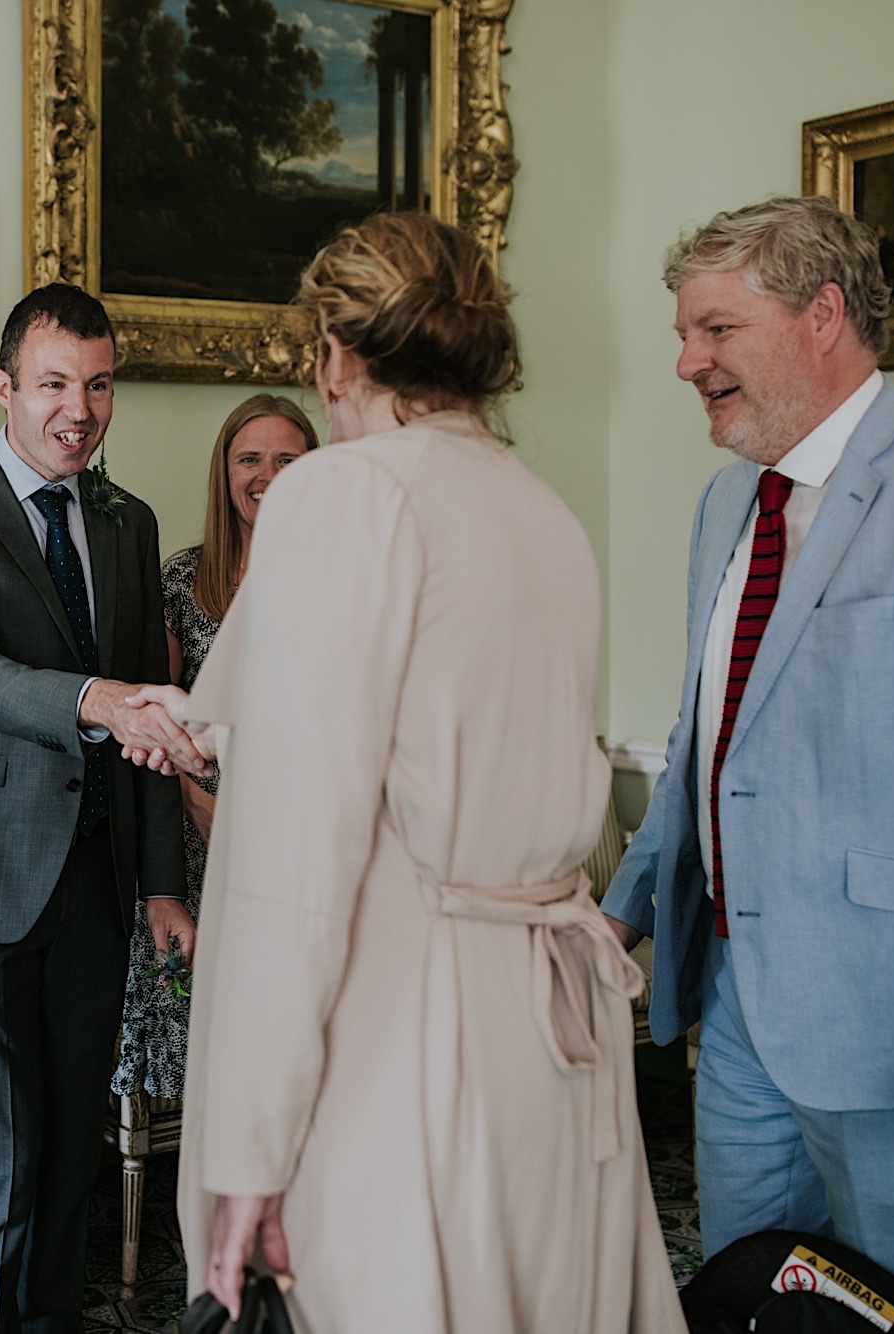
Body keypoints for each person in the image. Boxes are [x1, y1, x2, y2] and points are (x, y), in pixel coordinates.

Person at [150, 212, 683, 1331]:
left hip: (402, 1037)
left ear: (335, 355)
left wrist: (249, 1146)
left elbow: (295, 861)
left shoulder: (340, 495)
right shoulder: (539, 507)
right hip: (551, 1039)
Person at [601, 195, 894, 1330]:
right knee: (751, 1295)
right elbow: (707, 742)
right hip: (732, 1008)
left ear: (822, 314)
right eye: (681, 333)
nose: (686, 361)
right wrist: (621, 917)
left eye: (714, 330)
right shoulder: (724, 503)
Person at [0, 283, 195, 1333]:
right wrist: (94, 699)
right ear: (4, 385)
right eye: (55, 383)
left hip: (97, 887)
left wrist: (157, 879)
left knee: (68, 1149)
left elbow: (145, 707)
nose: (79, 409)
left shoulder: (126, 518)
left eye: (99, 385)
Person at [111, 394, 318, 1101]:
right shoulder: (181, 579)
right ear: (224, 471)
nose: (267, 473)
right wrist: (195, 801)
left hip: (304, 844)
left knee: (296, 1037)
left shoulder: (340, 579)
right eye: (250, 458)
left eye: (288, 459)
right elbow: (153, 724)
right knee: (205, 1039)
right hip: (199, 843)